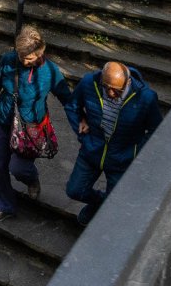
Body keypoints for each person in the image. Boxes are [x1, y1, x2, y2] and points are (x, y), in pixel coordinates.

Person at [0, 26, 73, 222]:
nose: (25, 61)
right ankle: (4, 205)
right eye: (21, 56)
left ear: (40, 53)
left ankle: (32, 180)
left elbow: (67, 99)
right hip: (4, 120)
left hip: (31, 128)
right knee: (0, 165)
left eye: (30, 58)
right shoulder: (8, 60)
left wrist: (81, 122)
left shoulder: (50, 71)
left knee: (18, 168)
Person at [66, 60, 163, 225]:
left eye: (117, 90)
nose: (111, 93)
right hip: (91, 150)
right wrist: (81, 129)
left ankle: (100, 215)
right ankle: (99, 202)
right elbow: (72, 106)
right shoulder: (89, 82)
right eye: (106, 87)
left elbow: (157, 129)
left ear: (128, 82)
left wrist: (135, 151)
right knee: (74, 191)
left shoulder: (145, 97)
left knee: (115, 207)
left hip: (121, 159)